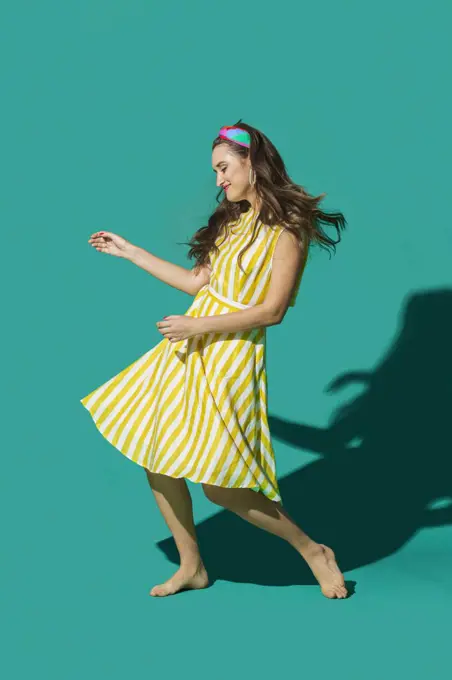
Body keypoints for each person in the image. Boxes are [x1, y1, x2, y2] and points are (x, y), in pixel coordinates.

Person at [81, 121, 348, 599]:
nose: (219, 180)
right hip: (188, 351)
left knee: (221, 487)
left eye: (224, 168)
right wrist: (130, 252)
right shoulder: (232, 221)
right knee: (156, 452)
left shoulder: (287, 229)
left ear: (252, 163)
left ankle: (313, 551)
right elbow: (194, 284)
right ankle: (192, 566)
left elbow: (273, 311)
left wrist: (195, 326)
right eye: (215, 172)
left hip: (230, 356)